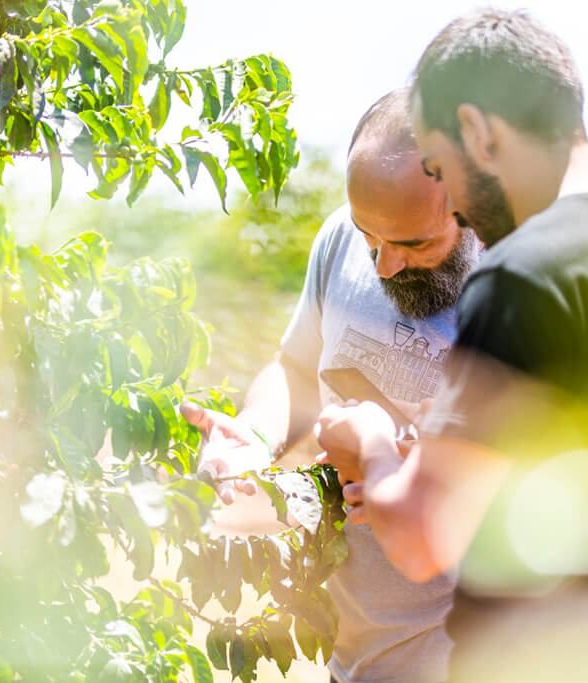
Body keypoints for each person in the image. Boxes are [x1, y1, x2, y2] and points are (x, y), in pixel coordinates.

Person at [315, 9, 588, 682]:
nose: (454, 206)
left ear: (478, 132)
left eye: (440, 164)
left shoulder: (527, 274)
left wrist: (372, 438)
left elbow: (420, 536)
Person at [183, 88, 481, 683]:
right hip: (356, 654)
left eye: (411, 243)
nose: (383, 266)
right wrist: (254, 435)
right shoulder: (340, 238)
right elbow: (295, 370)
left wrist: (417, 477)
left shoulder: (521, 278)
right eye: (372, 237)